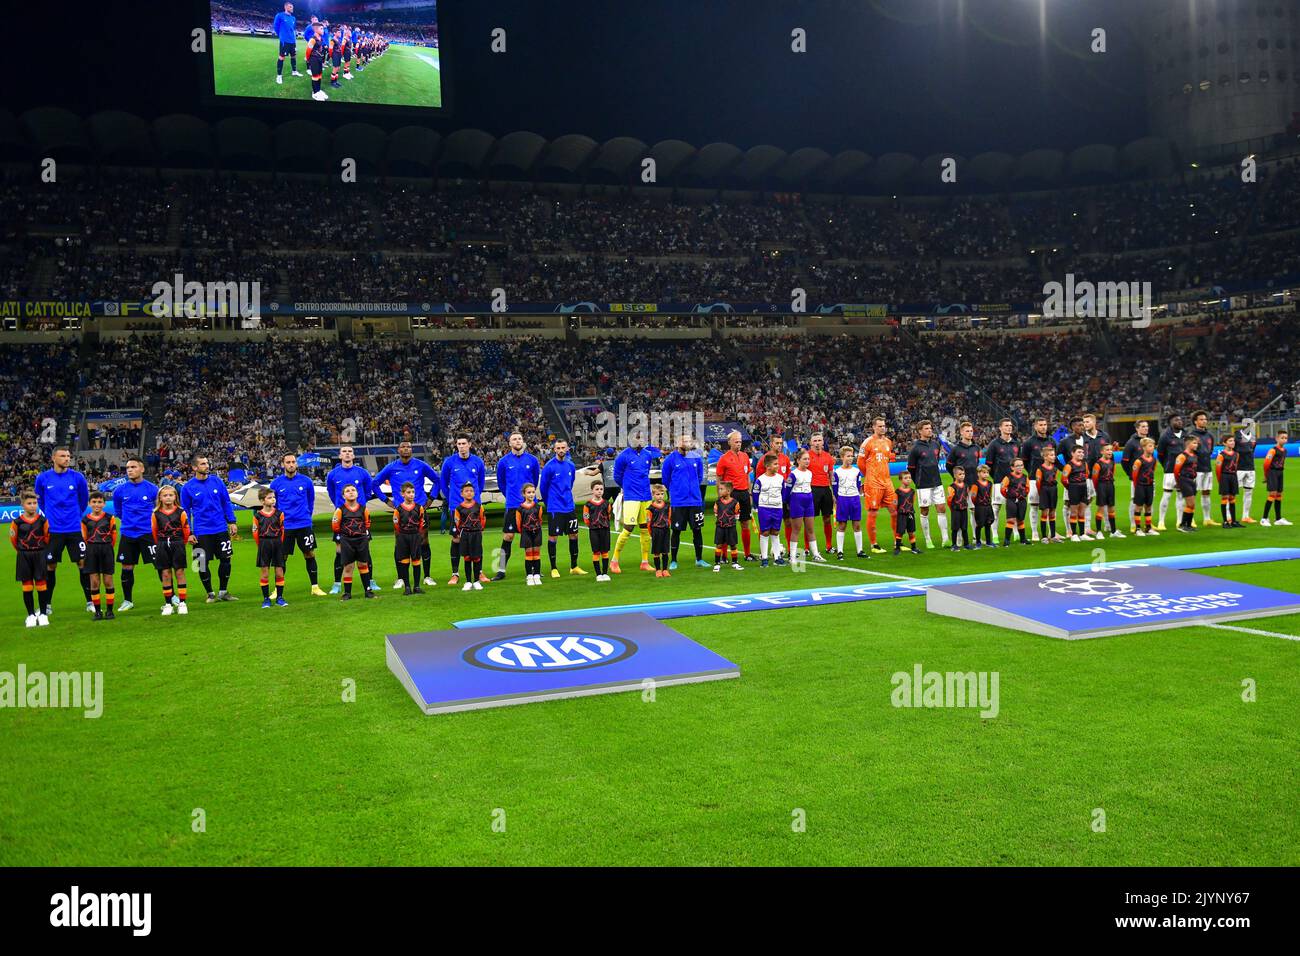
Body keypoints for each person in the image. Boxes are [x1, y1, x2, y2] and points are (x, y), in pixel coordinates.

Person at [376, 441, 441, 588]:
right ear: (398, 450)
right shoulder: (391, 467)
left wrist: (431, 498)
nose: (406, 449)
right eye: (403, 447)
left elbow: (437, 480)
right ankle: (400, 578)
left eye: (409, 447)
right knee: (400, 544)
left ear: (412, 450)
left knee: (424, 542)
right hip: (401, 513)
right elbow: (375, 483)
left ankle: (427, 576)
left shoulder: (421, 465)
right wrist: (386, 501)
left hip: (419, 511)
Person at [34, 446, 90, 615]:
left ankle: (90, 602)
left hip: (74, 529)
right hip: (53, 530)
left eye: (68, 456)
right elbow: (41, 502)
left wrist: (74, 515)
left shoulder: (77, 477)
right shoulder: (43, 478)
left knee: (82, 563)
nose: (67, 459)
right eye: (63, 456)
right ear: (53, 458)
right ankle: (47, 605)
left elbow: (83, 500)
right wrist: (52, 516)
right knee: (50, 566)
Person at [181, 454, 239, 603]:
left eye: (207, 463)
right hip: (201, 532)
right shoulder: (188, 488)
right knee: (201, 563)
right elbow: (185, 512)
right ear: (194, 467)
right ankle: (210, 593)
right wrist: (189, 533)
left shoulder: (217, 482)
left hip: (220, 529)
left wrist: (232, 521)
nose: (206, 466)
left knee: (226, 560)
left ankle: (223, 592)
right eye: (202, 464)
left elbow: (226, 502)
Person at [270, 452, 327, 597]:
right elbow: (273, 504)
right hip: (285, 526)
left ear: (296, 463)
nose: (291, 464)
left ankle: (315, 587)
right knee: (282, 557)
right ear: (283, 464)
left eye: (293, 462)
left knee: (309, 554)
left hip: (303, 524)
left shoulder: (306, 481)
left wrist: (306, 516)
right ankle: (278, 590)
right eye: (288, 462)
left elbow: (311, 501)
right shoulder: (276, 484)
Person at [326, 446, 378, 593]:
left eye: (350, 451)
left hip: (359, 517)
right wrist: (339, 506)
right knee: (339, 551)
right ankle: (337, 584)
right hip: (343, 517)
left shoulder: (362, 473)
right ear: (340, 455)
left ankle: (371, 582)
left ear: (353, 455)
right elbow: (331, 492)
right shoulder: (332, 474)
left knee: (365, 550)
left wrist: (360, 504)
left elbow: (368, 491)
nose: (347, 454)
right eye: (344, 452)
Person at [112, 456, 160, 613]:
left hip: (148, 534)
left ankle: (170, 595)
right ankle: (127, 600)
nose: (130, 470)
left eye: (133, 467)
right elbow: (118, 512)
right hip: (128, 534)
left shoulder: (153, 489)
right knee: (126, 567)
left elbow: (158, 510)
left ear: (142, 469)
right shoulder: (119, 491)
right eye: (128, 468)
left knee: (159, 564)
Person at [538, 438, 590, 578]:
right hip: (555, 507)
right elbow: (543, 488)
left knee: (574, 535)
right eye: (558, 448)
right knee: (553, 537)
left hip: (569, 506)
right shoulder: (549, 466)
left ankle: (574, 566)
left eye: (563, 448)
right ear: (554, 449)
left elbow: (570, 483)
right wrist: (550, 503)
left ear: (567, 449)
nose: (561, 450)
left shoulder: (571, 466)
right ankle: (554, 568)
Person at [440, 435, 487, 585]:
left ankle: (479, 572)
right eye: (459, 443)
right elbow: (443, 483)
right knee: (456, 539)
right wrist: (452, 499)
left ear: (469, 445)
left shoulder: (478, 461)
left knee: (477, 539)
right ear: (456, 445)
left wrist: (475, 500)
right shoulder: (449, 462)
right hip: (456, 508)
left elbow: (480, 483)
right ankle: (455, 573)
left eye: (464, 443)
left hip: (474, 508)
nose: (461, 446)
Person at [493, 432, 540, 581]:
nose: (517, 441)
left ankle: (534, 569)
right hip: (513, 505)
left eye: (520, 438)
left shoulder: (532, 460)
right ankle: (500, 570)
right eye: (514, 439)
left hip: (530, 506)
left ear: (523, 441)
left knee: (532, 537)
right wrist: (511, 496)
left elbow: (534, 481)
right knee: (508, 536)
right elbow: (501, 483)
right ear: (509, 443)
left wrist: (528, 498)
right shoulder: (503, 462)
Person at [611, 438, 662, 574]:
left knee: (645, 528)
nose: (638, 441)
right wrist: (627, 487)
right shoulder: (623, 456)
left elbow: (645, 473)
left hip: (646, 495)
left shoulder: (647, 455)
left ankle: (644, 562)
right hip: (631, 496)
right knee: (628, 528)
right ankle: (614, 560)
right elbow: (617, 476)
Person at [660, 435, 707, 569]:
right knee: (676, 531)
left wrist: (692, 490)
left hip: (695, 501)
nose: (687, 443)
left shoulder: (696, 458)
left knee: (697, 530)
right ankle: (673, 560)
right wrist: (676, 491)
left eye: (688, 441)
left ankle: (699, 559)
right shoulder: (670, 459)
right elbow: (666, 480)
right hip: (678, 502)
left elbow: (699, 477)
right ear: (677, 443)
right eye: (684, 441)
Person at [11, 490, 50, 627]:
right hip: (24, 556)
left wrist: (39, 550)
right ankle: (31, 615)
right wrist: (23, 551)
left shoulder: (43, 520)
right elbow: (13, 540)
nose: (32, 506)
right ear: (22, 505)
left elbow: (47, 537)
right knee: (27, 586)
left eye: (35, 503)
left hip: (39, 555)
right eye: (29, 503)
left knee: (41, 585)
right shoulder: (17, 522)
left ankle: (43, 614)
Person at [715, 431, 757, 560]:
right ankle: (724, 556)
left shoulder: (745, 456)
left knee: (745, 524)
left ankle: (747, 554)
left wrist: (749, 493)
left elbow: (748, 476)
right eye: (736, 441)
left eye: (739, 441)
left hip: (744, 493)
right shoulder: (724, 458)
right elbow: (719, 479)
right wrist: (720, 497)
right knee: (727, 524)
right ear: (729, 442)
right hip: (731, 495)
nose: (738, 444)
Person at [858, 418, 897, 554]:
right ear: (874, 427)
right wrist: (869, 477)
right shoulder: (867, 442)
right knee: (873, 512)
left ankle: (897, 541)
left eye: (884, 426)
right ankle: (874, 545)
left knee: (895, 510)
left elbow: (886, 460)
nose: (882, 428)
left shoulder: (888, 442)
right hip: (873, 483)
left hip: (887, 482)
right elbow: (860, 462)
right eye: (880, 426)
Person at [909, 420, 949, 549]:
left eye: (930, 428)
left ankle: (945, 539)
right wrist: (918, 482)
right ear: (920, 431)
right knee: (925, 510)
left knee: (942, 509)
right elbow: (911, 468)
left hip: (937, 482)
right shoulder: (915, 448)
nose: (929, 430)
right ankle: (928, 539)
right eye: (926, 428)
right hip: (923, 484)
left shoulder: (936, 445)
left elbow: (936, 461)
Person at [152, 484, 191, 615]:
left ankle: (182, 603)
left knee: (179, 572)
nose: (168, 498)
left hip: (178, 543)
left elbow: (186, 530)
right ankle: (168, 603)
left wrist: (181, 543)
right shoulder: (156, 514)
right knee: (165, 574)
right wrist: (161, 544)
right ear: (160, 498)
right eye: (165, 495)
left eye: (170, 495)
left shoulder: (181, 512)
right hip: (162, 545)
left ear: (175, 497)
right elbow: (154, 531)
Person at [332, 483, 375, 599]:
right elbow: (335, 526)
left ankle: (368, 591)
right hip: (347, 541)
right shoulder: (340, 511)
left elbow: (367, 524)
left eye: (353, 490)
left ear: (357, 493)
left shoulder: (364, 509)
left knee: (363, 564)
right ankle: (347, 593)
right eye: (347, 491)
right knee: (348, 567)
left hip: (361, 540)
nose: (351, 492)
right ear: (343, 495)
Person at [81, 491, 118, 621]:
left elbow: (113, 536)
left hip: (106, 549)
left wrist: (106, 546)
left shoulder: (109, 518)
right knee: (94, 581)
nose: (97, 504)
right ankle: (97, 612)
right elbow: (84, 537)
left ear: (104, 503)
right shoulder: (85, 520)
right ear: (89, 503)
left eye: (99, 502)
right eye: (94, 502)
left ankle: (109, 611)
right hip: (91, 550)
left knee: (108, 580)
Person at [983, 418, 1020, 538]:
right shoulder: (994, 444)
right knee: (996, 508)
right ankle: (994, 534)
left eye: (1010, 425)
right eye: (1006, 425)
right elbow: (989, 464)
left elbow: (1019, 462)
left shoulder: (1016, 444)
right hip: (999, 481)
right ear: (1000, 428)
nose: (1009, 427)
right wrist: (996, 477)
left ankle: (1015, 533)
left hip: (1014, 483)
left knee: (1014, 508)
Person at [251, 487, 288, 609]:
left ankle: (280, 598)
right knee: (265, 573)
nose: (273, 500)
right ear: (262, 501)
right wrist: (261, 545)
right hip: (264, 544)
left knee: (279, 571)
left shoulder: (279, 514)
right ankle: (266, 599)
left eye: (274, 497)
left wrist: (279, 544)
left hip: (277, 544)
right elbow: (255, 533)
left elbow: (283, 531)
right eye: (269, 498)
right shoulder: (257, 516)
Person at [785, 449, 820, 565]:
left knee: (810, 529)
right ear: (798, 460)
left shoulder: (809, 473)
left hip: (809, 501)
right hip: (797, 501)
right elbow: (787, 491)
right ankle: (793, 556)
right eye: (804, 459)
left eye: (808, 459)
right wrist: (788, 503)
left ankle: (815, 554)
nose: (807, 461)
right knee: (796, 530)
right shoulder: (793, 474)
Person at [392, 482, 426, 595]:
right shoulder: (399, 509)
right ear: (402, 494)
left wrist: (417, 533)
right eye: (408, 492)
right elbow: (396, 524)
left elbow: (421, 522)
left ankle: (416, 586)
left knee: (416, 561)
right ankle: (407, 587)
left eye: (413, 492)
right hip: (403, 537)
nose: (411, 494)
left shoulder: (419, 508)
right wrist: (403, 534)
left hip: (415, 536)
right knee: (404, 561)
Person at [1156, 414, 1188, 531]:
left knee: (1180, 495)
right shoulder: (1165, 436)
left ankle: (1179, 521)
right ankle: (1161, 521)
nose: (1179, 421)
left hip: (1184, 471)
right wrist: (1167, 465)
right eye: (1176, 420)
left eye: (1180, 419)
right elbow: (1160, 454)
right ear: (1170, 422)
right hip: (1170, 471)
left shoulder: (1186, 435)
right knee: (1167, 495)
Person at [832, 445, 865, 559]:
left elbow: (858, 486)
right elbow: (835, 488)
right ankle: (840, 551)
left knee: (857, 524)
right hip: (843, 499)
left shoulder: (856, 471)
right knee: (842, 525)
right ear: (842, 457)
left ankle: (860, 551)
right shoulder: (837, 472)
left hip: (854, 499)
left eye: (852, 456)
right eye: (848, 456)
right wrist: (837, 499)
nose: (850, 458)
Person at [754, 454, 787, 567]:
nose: (778, 466)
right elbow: (755, 494)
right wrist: (760, 506)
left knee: (775, 531)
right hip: (764, 508)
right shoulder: (760, 480)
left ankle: (777, 557)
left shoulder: (780, 478)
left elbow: (784, 493)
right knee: (765, 532)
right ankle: (764, 558)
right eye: (775, 464)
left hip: (777, 508)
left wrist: (780, 503)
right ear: (768, 466)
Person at [453, 483, 487, 590]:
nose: (469, 492)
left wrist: (480, 530)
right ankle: (468, 581)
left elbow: (483, 519)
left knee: (476, 557)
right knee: (467, 558)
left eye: (471, 491)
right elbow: (457, 522)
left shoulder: (478, 506)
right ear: (462, 493)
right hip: (465, 534)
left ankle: (476, 581)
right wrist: (462, 532)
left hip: (476, 533)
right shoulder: (459, 508)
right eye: (466, 491)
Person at [808, 433, 837, 554]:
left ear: (823, 442)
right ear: (811, 443)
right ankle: (806, 548)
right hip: (811, 490)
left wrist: (833, 493)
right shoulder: (807, 456)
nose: (817, 443)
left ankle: (829, 546)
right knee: (809, 520)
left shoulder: (828, 457)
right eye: (815, 440)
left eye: (820, 440)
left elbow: (831, 476)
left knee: (827, 518)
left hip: (825, 490)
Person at [1120, 420, 1151, 533]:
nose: (1146, 428)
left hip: (1148, 478)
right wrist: (1131, 474)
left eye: (1147, 426)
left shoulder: (1149, 441)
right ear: (1137, 429)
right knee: (1135, 501)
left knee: (1148, 502)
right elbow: (1124, 461)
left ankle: (1148, 524)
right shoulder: (1131, 443)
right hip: (1137, 478)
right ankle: (1133, 524)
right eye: (1143, 426)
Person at [1189, 411, 1218, 527]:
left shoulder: (1209, 435)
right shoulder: (1191, 435)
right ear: (1195, 421)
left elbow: (1210, 450)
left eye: (1205, 419)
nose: (1204, 421)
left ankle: (1207, 518)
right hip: (1195, 469)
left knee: (1206, 492)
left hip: (1207, 467)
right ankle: (1190, 519)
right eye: (1201, 419)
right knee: (1192, 494)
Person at [515, 482, 545, 586]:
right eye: (529, 492)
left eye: (533, 492)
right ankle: (529, 576)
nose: (531, 494)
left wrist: (535, 528)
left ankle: (536, 575)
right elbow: (518, 523)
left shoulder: (538, 507)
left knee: (536, 554)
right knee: (528, 554)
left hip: (537, 532)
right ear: (524, 494)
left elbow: (540, 520)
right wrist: (525, 531)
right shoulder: (520, 509)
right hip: (526, 533)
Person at [583, 480, 613, 581]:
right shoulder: (588, 505)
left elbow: (608, 515)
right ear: (592, 490)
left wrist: (604, 524)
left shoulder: (606, 503)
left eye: (601, 489)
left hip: (605, 530)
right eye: (597, 489)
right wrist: (592, 525)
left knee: (605, 551)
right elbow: (586, 518)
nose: (599, 491)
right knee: (596, 552)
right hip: (594, 531)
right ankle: (598, 574)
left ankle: (605, 573)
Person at [712, 481, 744, 572]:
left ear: (729, 491)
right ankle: (717, 563)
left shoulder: (735, 503)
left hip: (731, 527)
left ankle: (735, 563)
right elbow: (716, 514)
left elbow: (737, 515)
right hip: (720, 527)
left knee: (733, 545)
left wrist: (731, 522)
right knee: (719, 545)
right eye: (719, 489)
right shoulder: (717, 503)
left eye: (722, 489)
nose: (719, 491)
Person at [1260, 430, 1290, 526]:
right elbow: (1266, 463)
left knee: (1279, 494)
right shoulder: (1272, 450)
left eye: (1286, 438)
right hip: (1272, 472)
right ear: (1277, 438)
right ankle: (1264, 518)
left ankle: (1278, 519)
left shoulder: (1285, 451)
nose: (1284, 440)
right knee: (1272, 494)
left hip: (1280, 472)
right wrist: (1266, 475)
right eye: (1282, 438)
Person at [1131, 437, 1159, 536]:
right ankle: (1137, 529)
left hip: (1150, 486)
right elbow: (1134, 475)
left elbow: (1153, 471)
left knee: (1148, 506)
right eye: (1150, 446)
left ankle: (1148, 528)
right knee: (1138, 507)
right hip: (1140, 486)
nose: (1152, 448)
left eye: (1153, 446)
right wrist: (1137, 486)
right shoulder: (1138, 461)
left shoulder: (1154, 460)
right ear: (1144, 447)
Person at [1233, 418, 1259, 524]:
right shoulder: (1237, 435)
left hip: (1250, 467)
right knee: (1232, 493)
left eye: (1252, 424)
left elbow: (1252, 450)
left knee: (1249, 492)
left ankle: (1245, 516)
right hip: (1239, 468)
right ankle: (1230, 516)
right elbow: (1239, 450)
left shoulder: (1253, 436)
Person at [999, 458, 1031, 547]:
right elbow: (1002, 489)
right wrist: (1009, 496)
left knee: (1021, 520)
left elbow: (1027, 488)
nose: (1020, 467)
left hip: (1022, 501)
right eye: (1017, 466)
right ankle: (1007, 540)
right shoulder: (1008, 477)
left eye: (1021, 465)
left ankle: (1023, 539)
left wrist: (1023, 496)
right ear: (1012, 467)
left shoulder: (1025, 477)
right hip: (1011, 501)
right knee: (1011, 520)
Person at [1092, 445, 1122, 538]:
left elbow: (1113, 473)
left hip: (1110, 486)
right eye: (1107, 450)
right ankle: (1099, 532)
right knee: (1101, 509)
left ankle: (1113, 531)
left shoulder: (1112, 462)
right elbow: (1094, 479)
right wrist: (1098, 489)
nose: (1110, 452)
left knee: (1111, 508)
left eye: (1111, 450)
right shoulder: (1097, 464)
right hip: (1101, 486)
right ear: (1102, 452)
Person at [1061, 447, 1090, 541]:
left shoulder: (1084, 464)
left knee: (1082, 512)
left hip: (1083, 488)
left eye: (1082, 452)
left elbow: (1087, 474)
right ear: (1072, 453)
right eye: (1079, 452)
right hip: (1074, 489)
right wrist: (1070, 487)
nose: (1081, 454)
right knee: (1074, 512)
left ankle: (1082, 534)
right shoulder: (1069, 466)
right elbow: (1063, 479)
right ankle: (1074, 534)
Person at [1173, 437, 1201, 532]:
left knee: (1192, 505)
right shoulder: (1182, 456)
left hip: (1192, 480)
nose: (1196, 445)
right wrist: (1178, 483)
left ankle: (1188, 525)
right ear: (1188, 444)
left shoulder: (1194, 455)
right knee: (1190, 504)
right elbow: (1176, 471)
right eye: (1194, 443)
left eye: (1196, 443)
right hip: (1184, 480)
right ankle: (1182, 525)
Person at [1034, 446, 1061, 543]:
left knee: (1053, 512)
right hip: (1044, 490)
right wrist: (1042, 492)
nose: (1054, 457)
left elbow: (1055, 479)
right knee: (1045, 512)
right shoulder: (1040, 469)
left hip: (1054, 490)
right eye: (1051, 455)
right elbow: (1038, 483)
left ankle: (1053, 536)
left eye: (1054, 455)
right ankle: (1044, 537)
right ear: (1045, 457)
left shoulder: (1055, 469)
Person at [272, 2, 302, 85]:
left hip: (293, 41)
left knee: (294, 56)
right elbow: (276, 27)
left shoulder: (293, 18)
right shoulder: (280, 15)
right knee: (281, 57)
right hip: (284, 41)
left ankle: (294, 71)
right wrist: (282, 36)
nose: (292, 8)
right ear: (285, 7)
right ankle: (279, 75)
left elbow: (293, 29)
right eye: (290, 7)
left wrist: (294, 40)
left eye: (292, 7)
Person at [647, 485, 673, 577]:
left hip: (665, 530)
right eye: (658, 494)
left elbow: (669, 518)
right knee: (656, 551)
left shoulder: (667, 506)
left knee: (665, 551)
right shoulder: (651, 508)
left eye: (662, 494)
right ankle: (658, 570)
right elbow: (649, 522)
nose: (660, 496)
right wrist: (651, 533)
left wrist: (667, 525)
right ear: (653, 495)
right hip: (656, 531)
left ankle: (665, 569)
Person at [1216, 435, 1242, 528]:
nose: (1233, 442)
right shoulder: (1221, 455)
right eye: (1230, 441)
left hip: (1233, 477)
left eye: (1233, 441)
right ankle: (1225, 521)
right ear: (1224, 443)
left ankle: (1234, 521)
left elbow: (1236, 465)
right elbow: (1218, 469)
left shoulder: (1236, 454)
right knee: (1225, 498)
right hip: (1224, 476)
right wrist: (1220, 480)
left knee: (1232, 498)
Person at [946, 466, 973, 551]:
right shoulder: (952, 487)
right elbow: (949, 500)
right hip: (956, 510)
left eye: (963, 474)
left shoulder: (966, 485)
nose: (962, 476)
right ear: (955, 475)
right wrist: (952, 509)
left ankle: (966, 544)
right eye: (960, 474)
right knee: (955, 528)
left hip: (964, 509)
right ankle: (954, 545)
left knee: (964, 527)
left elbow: (967, 496)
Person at [894, 471, 919, 555]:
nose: (908, 480)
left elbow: (913, 502)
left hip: (910, 514)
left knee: (911, 531)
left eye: (909, 478)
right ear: (901, 480)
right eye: (906, 478)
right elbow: (895, 503)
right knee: (900, 532)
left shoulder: (912, 491)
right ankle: (897, 548)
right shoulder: (897, 491)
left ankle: (914, 548)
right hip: (901, 514)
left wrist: (910, 511)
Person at [972, 464, 995, 547]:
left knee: (988, 523)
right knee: (980, 524)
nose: (986, 474)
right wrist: (978, 504)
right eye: (984, 472)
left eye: (987, 472)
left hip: (988, 506)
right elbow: (973, 497)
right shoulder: (976, 484)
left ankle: (989, 542)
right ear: (978, 473)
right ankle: (978, 542)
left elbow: (990, 494)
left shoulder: (990, 483)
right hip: (980, 507)